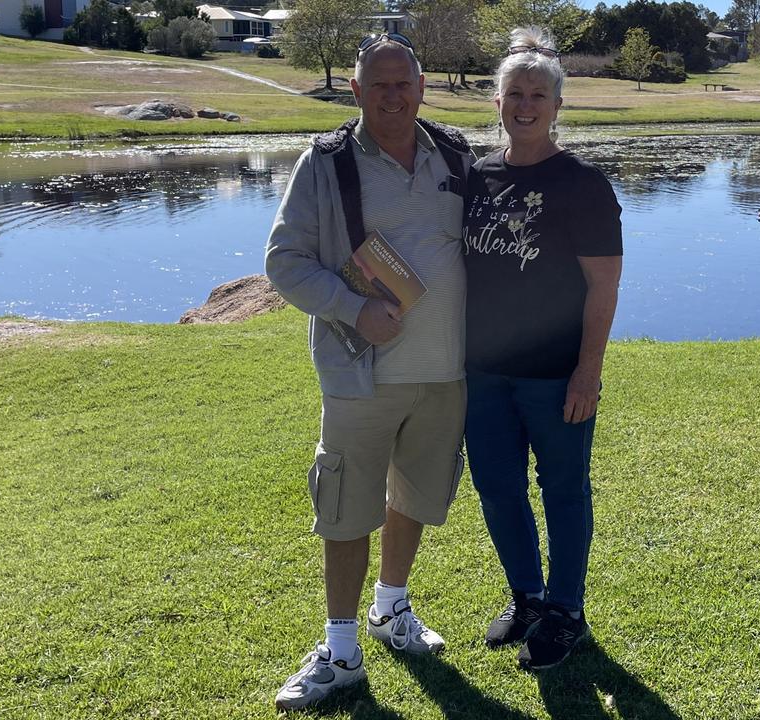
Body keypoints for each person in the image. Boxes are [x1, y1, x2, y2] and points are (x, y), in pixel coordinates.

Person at [264, 32, 474, 711]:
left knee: (414, 494)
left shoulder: (455, 156)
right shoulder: (324, 165)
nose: (392, 95)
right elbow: (285, 263)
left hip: (446, 374)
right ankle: (341, 649)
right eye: (378, 84)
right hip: (361, 375)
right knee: (347, 508)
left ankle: (391, 611)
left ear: (422, 87)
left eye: (403, 83)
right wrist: (355, 309)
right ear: (355, 91)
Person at [461, 26, 623, 672]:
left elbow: (602, 286)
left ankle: (566, 611)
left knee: (562, 490)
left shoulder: (583, 185)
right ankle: (527, 597)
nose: (525, 104)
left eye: (538, 94)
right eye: (514, 93)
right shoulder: (476, 177)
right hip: (486, 374)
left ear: (557, 107)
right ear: (497, 103)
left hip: (556, 376)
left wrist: (589, 371)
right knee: (497, 488)